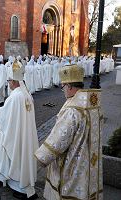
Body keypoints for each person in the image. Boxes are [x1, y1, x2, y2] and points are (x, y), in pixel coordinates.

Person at [35, 65, 103, 200]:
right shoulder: (94, 104)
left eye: (63, 87)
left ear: (69, 86)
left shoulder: (72, 110)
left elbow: (59, 139)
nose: (63, 90)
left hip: (73, 163)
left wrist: (41, 157)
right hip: (90, 161)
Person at [0, 60, 39, 199]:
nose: (8, 83)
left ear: (13, 81)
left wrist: (0, 114)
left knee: (16, 155)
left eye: (9, 81)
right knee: (23, 155)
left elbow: (5, 119)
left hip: (16, 135)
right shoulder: (26, 95)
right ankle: (21, 183)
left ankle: (21, 187)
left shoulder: (14, 97)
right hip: (25, 135)